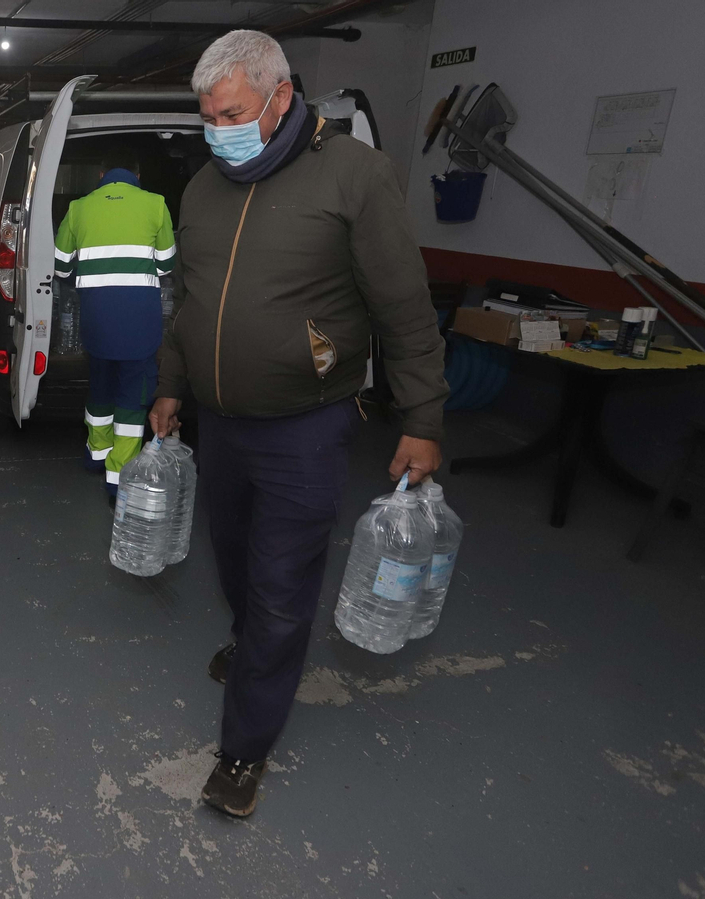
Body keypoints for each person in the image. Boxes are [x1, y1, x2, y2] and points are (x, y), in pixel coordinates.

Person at [149, 32, 448, 817]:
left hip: (305, 428)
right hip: (221, 422)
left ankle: (244, 749)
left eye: (233, 113)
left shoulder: (355, 176)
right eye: (208, 115)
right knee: (236, 558)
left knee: (282, 586)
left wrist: (422, 417)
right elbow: (188, 304)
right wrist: (172, 386)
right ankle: (252, 642)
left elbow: (404, 310)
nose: (219, 129)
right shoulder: (204, 189)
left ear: (282, 97)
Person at [53, 150, 177, 498]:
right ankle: (117, 479)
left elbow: (61, 267)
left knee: (100, 387)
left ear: (101, 174)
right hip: (140, 326)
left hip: (96, 323)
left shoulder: (79, 207)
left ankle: (96, 456)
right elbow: (167, 264)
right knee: (130, 401)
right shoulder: (155, 204)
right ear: (138, 175)